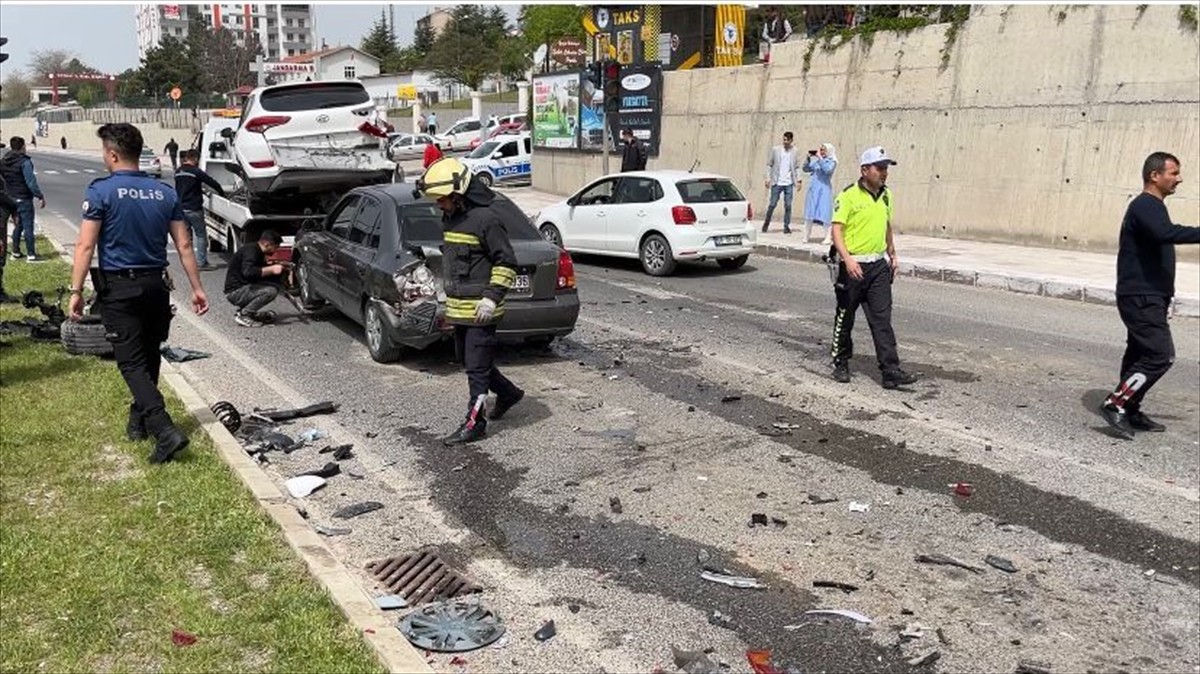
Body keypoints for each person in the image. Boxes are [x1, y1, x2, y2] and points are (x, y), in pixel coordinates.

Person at [66, 122, 209, 464]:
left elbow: (85, 245)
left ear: (113, 154)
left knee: (131, 362)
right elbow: (185, 243)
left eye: (104, 152)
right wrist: (197, 288)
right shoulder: (164, 192)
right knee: (150, 354)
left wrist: (75, 290)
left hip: (121, 288)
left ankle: (164, 430)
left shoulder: (101, 191)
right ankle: (139, 422)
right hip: (156, 287)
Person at [416, 157, 524, 445]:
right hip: (459, 308)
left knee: (476, 369)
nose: (439, 204)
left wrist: (491, 299)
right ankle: (509, 393)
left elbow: (506, 262)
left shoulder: (487, 220)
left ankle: (475, 423)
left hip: (481, 310)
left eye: (442, 199)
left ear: (459, 194)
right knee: (469, 361)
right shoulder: (452, 218)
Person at [1099, 152, 1200, 439]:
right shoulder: (1145, 205)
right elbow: (1164, 233)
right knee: (1159, 356)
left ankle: (1130, 408)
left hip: (1147, 294)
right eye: (1173, 173)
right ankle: (1116, 402)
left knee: (1139, 354)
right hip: (1141, 295)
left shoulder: (1152, 206)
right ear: (1154, 176)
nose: (1178, 179)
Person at [828, 146, 919, 390]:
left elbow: (886, 225)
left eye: (886, 168)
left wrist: (892, 252)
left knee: (882, 319)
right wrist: (848, 260)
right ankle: (840, 362)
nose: (884, 173)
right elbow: (836, 231)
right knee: (845, 316)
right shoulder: (848, 196)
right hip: (853, 265)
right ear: (865, 170)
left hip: (878, 266)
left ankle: (890, 371)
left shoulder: (886, 195)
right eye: (879, 168)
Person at [224, 230, 287, 327]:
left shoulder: (257, 251)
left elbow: (259, 271)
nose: (275, 251)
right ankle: (245, 314)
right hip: (235, 292)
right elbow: (248, 272)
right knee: (270, 291)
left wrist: (277, 267)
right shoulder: (251, 251)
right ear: (267, 244)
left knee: (273, 285)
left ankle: (250, 312)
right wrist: (272, 269)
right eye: (275, 247)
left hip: (244, 287)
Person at [174, 149, 224, 270]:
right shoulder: (196, 172)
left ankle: (188, 263)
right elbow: (213, 183)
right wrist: (222, 194)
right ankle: (201, 263)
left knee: (187, 238)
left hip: (181, 209)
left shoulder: (178, 172)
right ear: (196, 158)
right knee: (201, 235)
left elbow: (184, 188)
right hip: (194, 209)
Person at [0, 136, 47, 261]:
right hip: (24, 198)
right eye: (25, 146)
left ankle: (15, 251)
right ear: (22, 147)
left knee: (18, 226)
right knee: (28, 226)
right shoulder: (25, 162)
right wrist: (40, 196)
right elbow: (31, 182)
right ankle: (31, 254)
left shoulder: (3, 161)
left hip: (10, 199)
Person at [761, 131, 800, 234]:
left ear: (791, 140)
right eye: (784, 139)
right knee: (772, 204)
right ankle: (766, 223)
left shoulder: (795, 151)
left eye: (787, 140)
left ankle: (786, 226)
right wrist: (768, 178)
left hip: (789, 183)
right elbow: (769, 164)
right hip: (777, 182)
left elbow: (796, 167)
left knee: (788, 205)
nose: (785, 142)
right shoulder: (776, 150)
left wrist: (799, 180)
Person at [802, 142, 838, 244]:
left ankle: (828, 237)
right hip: (814, 190)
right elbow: (806, 168)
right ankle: (806, 236)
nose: (821, 151)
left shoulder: (832, 161)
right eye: (820, 149)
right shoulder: (817, 161)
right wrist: (808, 159)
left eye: (823, 150)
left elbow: (827, 170)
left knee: (825, 213)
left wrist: (820, 159)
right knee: (810, 213)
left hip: (824, 190)